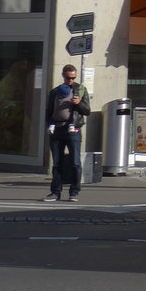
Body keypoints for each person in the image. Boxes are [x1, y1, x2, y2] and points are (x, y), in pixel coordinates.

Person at [43, 64, 90, 203]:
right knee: (57, 162)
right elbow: (49, 111)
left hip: (73, 130)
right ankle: (55, 192)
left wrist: (79, 103)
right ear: (63, 76)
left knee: (75, 162)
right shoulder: (55, 92)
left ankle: (74, 192)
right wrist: (49, 125)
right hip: (57, 129)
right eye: (68, 78)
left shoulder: (80, 90)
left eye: (73, 78)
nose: (71, 80)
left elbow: (87, 111)